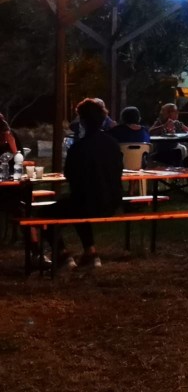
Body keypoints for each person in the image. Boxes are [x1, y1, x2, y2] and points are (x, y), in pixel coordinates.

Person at [46, 98, 123, 269]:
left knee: (46, 215)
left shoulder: (79, 148)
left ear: (82, 121)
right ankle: (90, 253)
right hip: (112, 201)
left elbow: (69, 174)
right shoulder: (113, 144)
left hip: (87, 203)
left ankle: (62, 254)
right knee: (78, 205)